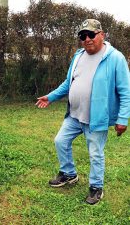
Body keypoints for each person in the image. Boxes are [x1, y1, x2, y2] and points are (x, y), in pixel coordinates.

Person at [35, 19, 130, 205]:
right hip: (74, 115)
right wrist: (51, 96)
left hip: (96, 119)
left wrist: (123, 119)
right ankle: (69, 174)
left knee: (95, 153)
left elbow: (125, 92)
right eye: (83, 36)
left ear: (101, 35)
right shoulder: (78, 56)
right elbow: (68, 83)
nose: (87, 39)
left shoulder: (115, 58)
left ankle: (96, 188)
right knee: (60, 141)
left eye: (91, 35)